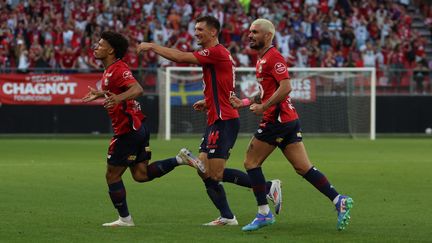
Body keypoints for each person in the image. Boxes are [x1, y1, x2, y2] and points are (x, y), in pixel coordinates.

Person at [137, 15, 282, 226]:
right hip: (216, 117)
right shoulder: (217, 54)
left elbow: (181, 57)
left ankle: (268, 187)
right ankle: (227, 216)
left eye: (200, 29)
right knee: (203, 171)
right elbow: (222, 86)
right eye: (195, 29)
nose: (196, 32)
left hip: (225, 120)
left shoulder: (216, 52)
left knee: (216, 173)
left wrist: (152, 46)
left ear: (213, 32)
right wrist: (208, 101)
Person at [230, 19, 354, 232]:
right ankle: (338, 200)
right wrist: (245, 102)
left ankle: (264, 213)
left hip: (276, 120)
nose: (250, 35)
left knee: (251, 162)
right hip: (287, 120)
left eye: (255, 32)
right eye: (249, 31)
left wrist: (263, 107)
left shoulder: (273, 57)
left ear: (268, 35)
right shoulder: (261, 59)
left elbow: (286, 87)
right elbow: (267, 91)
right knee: (303, 167)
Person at [82, 31, 202, 227]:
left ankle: (125, 219)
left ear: (111, 50)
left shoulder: (118, 69)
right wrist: (102, 94)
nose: (96, 46)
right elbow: (120, 91)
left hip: (128, 130)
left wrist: (116, 98)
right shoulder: (110, 71)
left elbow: (137, 89)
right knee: (141, 175)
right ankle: (181, 159)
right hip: (138, 127)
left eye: (100, 44)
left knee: (112, 175)